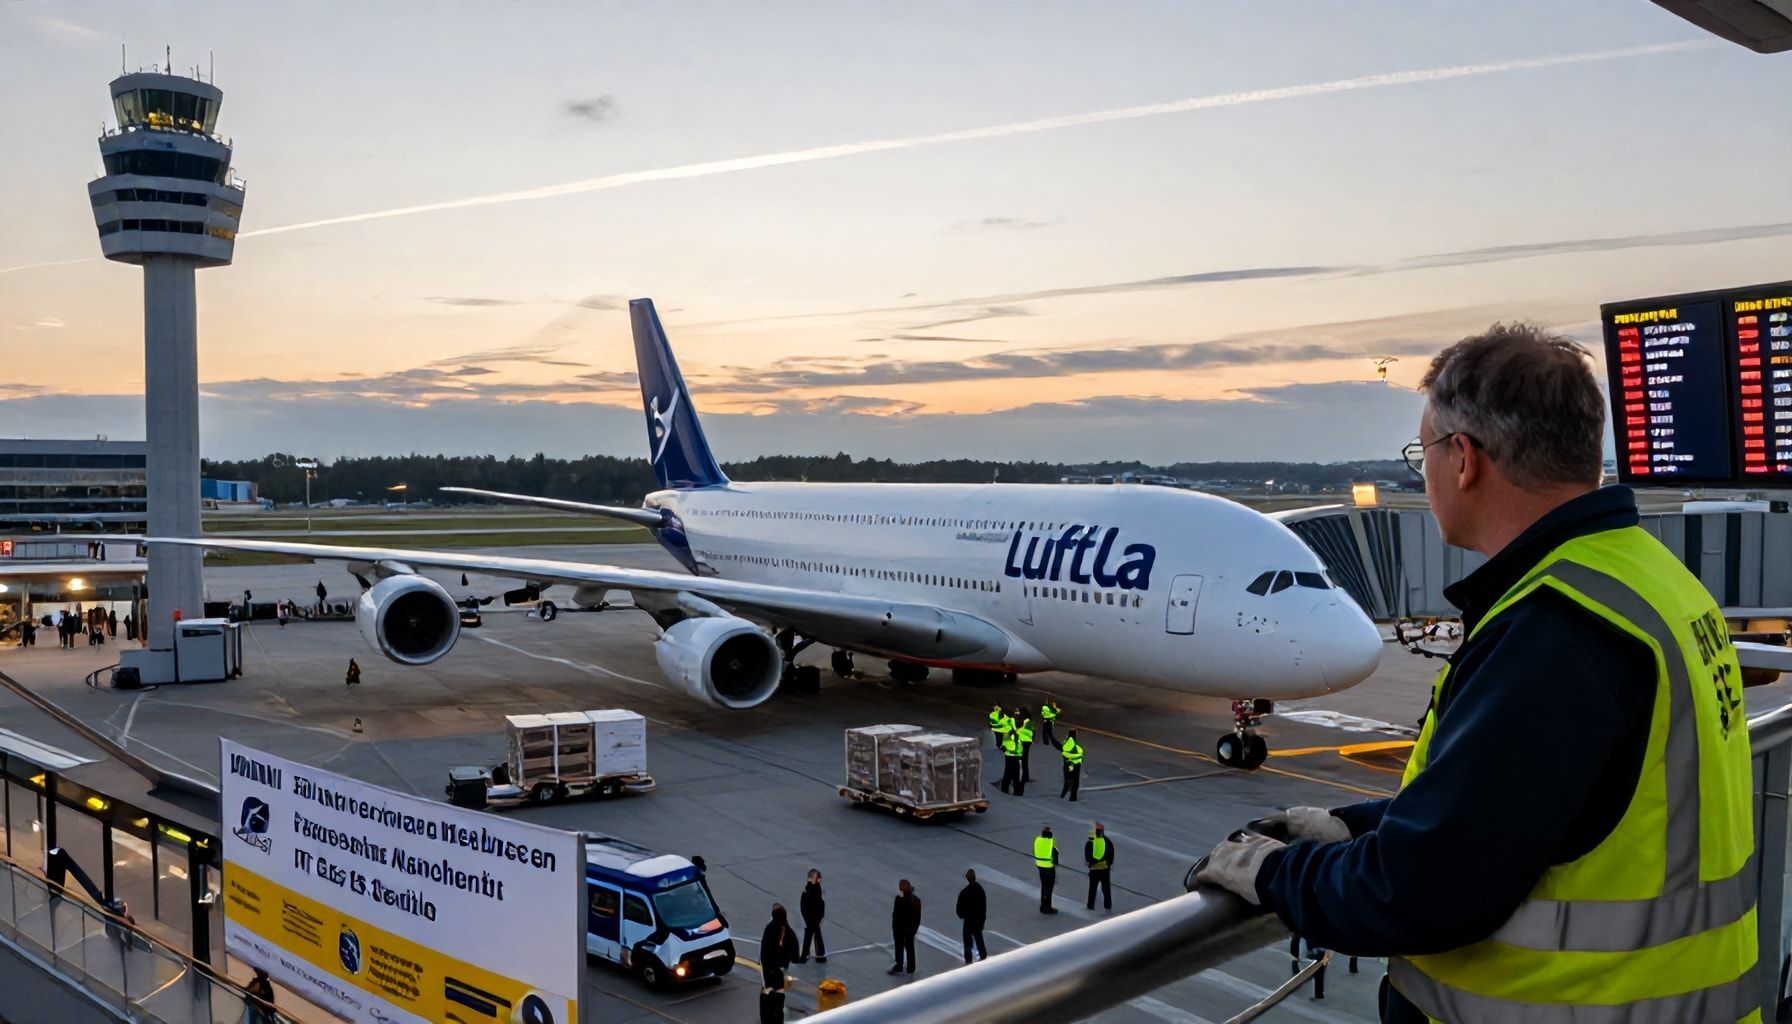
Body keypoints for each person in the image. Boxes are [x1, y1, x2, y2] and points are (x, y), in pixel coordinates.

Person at [1194, 324, 1758, 1023]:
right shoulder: (1650, 581)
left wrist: (1273, 873)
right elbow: (1528, 809)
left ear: (1463, 458)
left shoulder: (1557, 632)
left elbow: (1419, 896)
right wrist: (1354, 827)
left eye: (1421, 453)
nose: (1421, 474)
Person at [758, 903, 799, 989]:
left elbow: (764, 947)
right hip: (781, 965)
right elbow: (794, 949)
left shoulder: (769, 928)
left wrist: (763, 961)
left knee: (768, 986)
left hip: (769, 964)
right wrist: (794, 958)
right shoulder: (789, 932)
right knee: (778, 988)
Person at [888, 879, 920, 975]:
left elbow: (896, 915)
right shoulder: (916, 901)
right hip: (910, 929)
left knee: (899, 946)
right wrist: (913, 929)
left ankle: (899, 965)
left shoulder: (899, 900)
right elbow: (917, 919)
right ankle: (911, 967)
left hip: (900, 928)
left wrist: (895, 927)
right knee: (910, 947)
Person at [955, 868, 987, 964]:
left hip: (969, 920)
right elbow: (984, 905)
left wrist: (962, 915)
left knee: (967, 940)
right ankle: (983, 954)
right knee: (978, 937)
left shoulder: (964, 892)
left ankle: (968, 959)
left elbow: (959, 909)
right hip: (978, 918)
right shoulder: (980, 889)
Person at [796, 868, 826, 963]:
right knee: (814, 935)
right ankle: (819, 956)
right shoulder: (812, 889)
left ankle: (807, 956)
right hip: (813, 917)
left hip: (812, 917)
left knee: (811, 935)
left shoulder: (811, 888)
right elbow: (816, 904)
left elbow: (803, 906)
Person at [1085, 822, 1114, 911]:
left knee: (1092, 889)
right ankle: (1107, 905)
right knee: (1106, 889)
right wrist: (1108, 865)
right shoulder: (1107, 842)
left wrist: (1092, 863)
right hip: (1104, 869)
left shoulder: (1090, 843)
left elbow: (1088, 857)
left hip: (1094, 870)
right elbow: (1111, 855)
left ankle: (1090, 905)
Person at [1033, 825, 1058, 913]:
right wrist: (1055, 863)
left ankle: (1043, 906)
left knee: (1043, 886)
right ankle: (1047, 908)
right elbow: (1055, 855)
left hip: (1039, 865)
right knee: (1049, 888)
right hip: (1049, 867)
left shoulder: (1037, 840)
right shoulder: (1051, 841)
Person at [998, 727, 1024, 796]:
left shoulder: (1016, 738)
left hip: (1013, 758)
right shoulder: (1009, 738)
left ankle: (1009, 791)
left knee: (1012, 776)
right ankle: (1007, 790)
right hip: (1011, 758)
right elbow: (1003, 747)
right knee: (1011, 776)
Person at [1059, 730, 1083, 801]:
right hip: (1074, 763)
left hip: (1069, 763)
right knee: (1074, 779)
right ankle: (1072, 796)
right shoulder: (1073, 743)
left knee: (1068, 777)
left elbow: (1062, 748)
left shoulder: (1067, 742)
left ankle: (1064, 793)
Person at [1015, 708, 1034, 783]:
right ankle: (1025, 776)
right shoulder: (1030, 721)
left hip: (1022, 742)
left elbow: (1020, 730)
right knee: (1024, 760)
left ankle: (1021, 776)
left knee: (1020, 759)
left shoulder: (1024, 721)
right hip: (1027, 742)